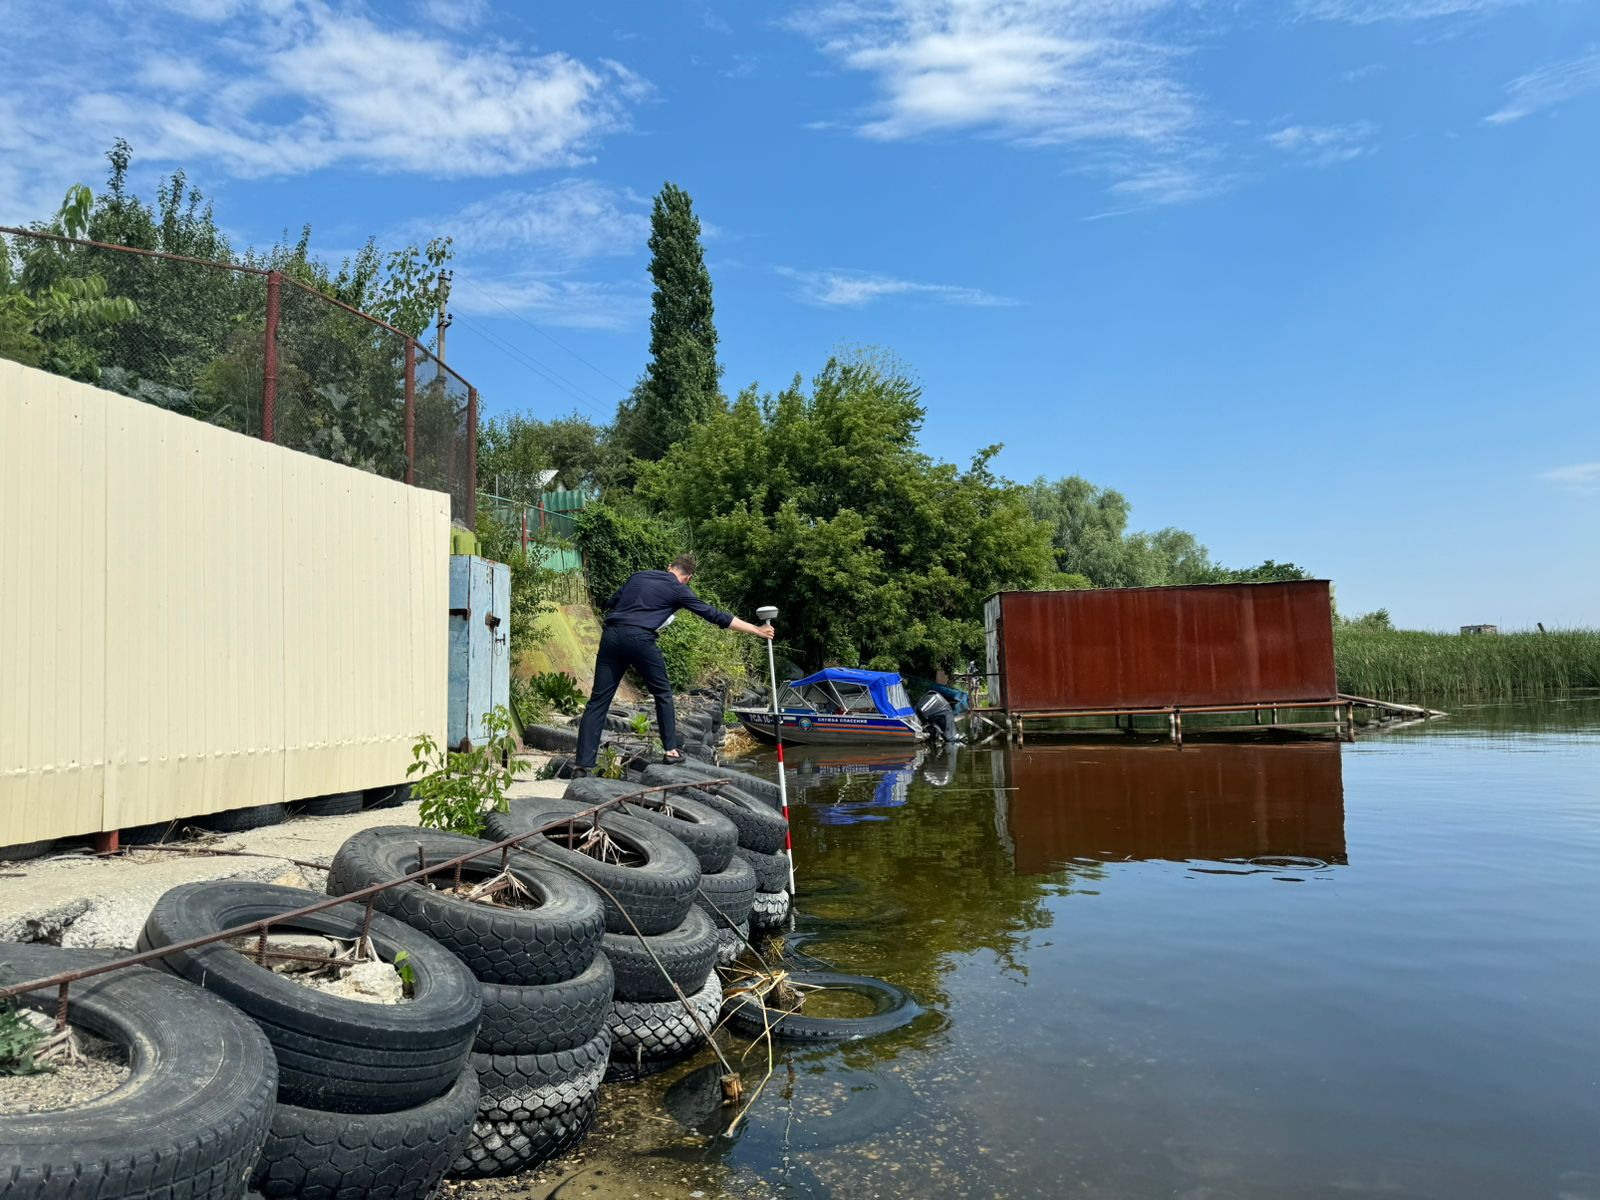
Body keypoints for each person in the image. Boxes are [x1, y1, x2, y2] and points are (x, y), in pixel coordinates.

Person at [573, 554, 775, 773]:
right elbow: (715, 615)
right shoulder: (680, 590)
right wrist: (757, 630)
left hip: (611, 635)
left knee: (598, 701)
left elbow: (611, 602)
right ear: (688, 578)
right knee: (662, 693)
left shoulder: (638, 576)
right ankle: (671, 751)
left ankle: (582, 766)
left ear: (669, 567)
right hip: (640, 639)